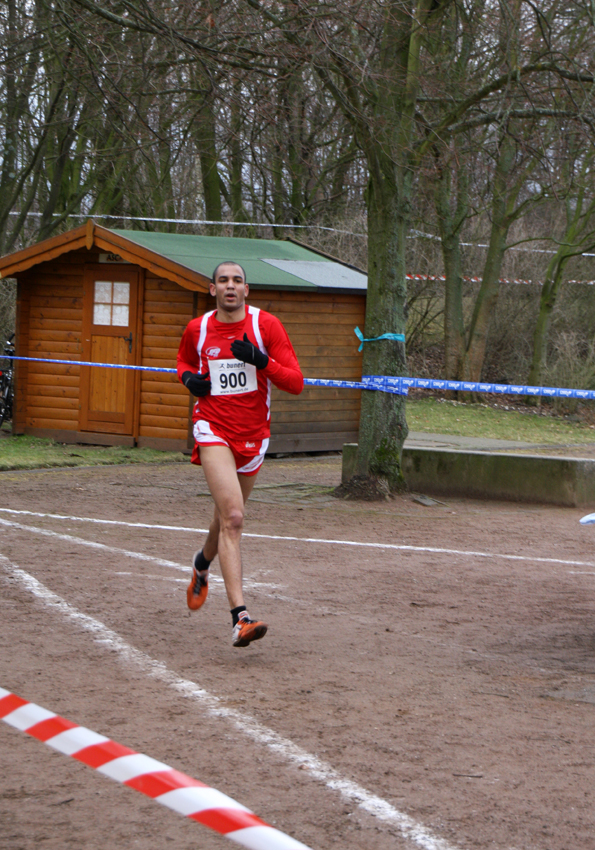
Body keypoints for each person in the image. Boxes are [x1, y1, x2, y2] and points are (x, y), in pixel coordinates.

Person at [177, 261, 304, 647]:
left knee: (223, 519)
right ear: (212, 289)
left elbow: (296, 382)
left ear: (246, 290)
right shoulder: (197, 329)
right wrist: (189, 380)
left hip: (253, 435)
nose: (230, 286)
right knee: (234, 517)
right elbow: (183, 361)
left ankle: (201, 565)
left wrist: (261, 361)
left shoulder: (266, 326)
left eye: (237, 281)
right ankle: (240, 619)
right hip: (212, 427)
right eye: (222, 281)